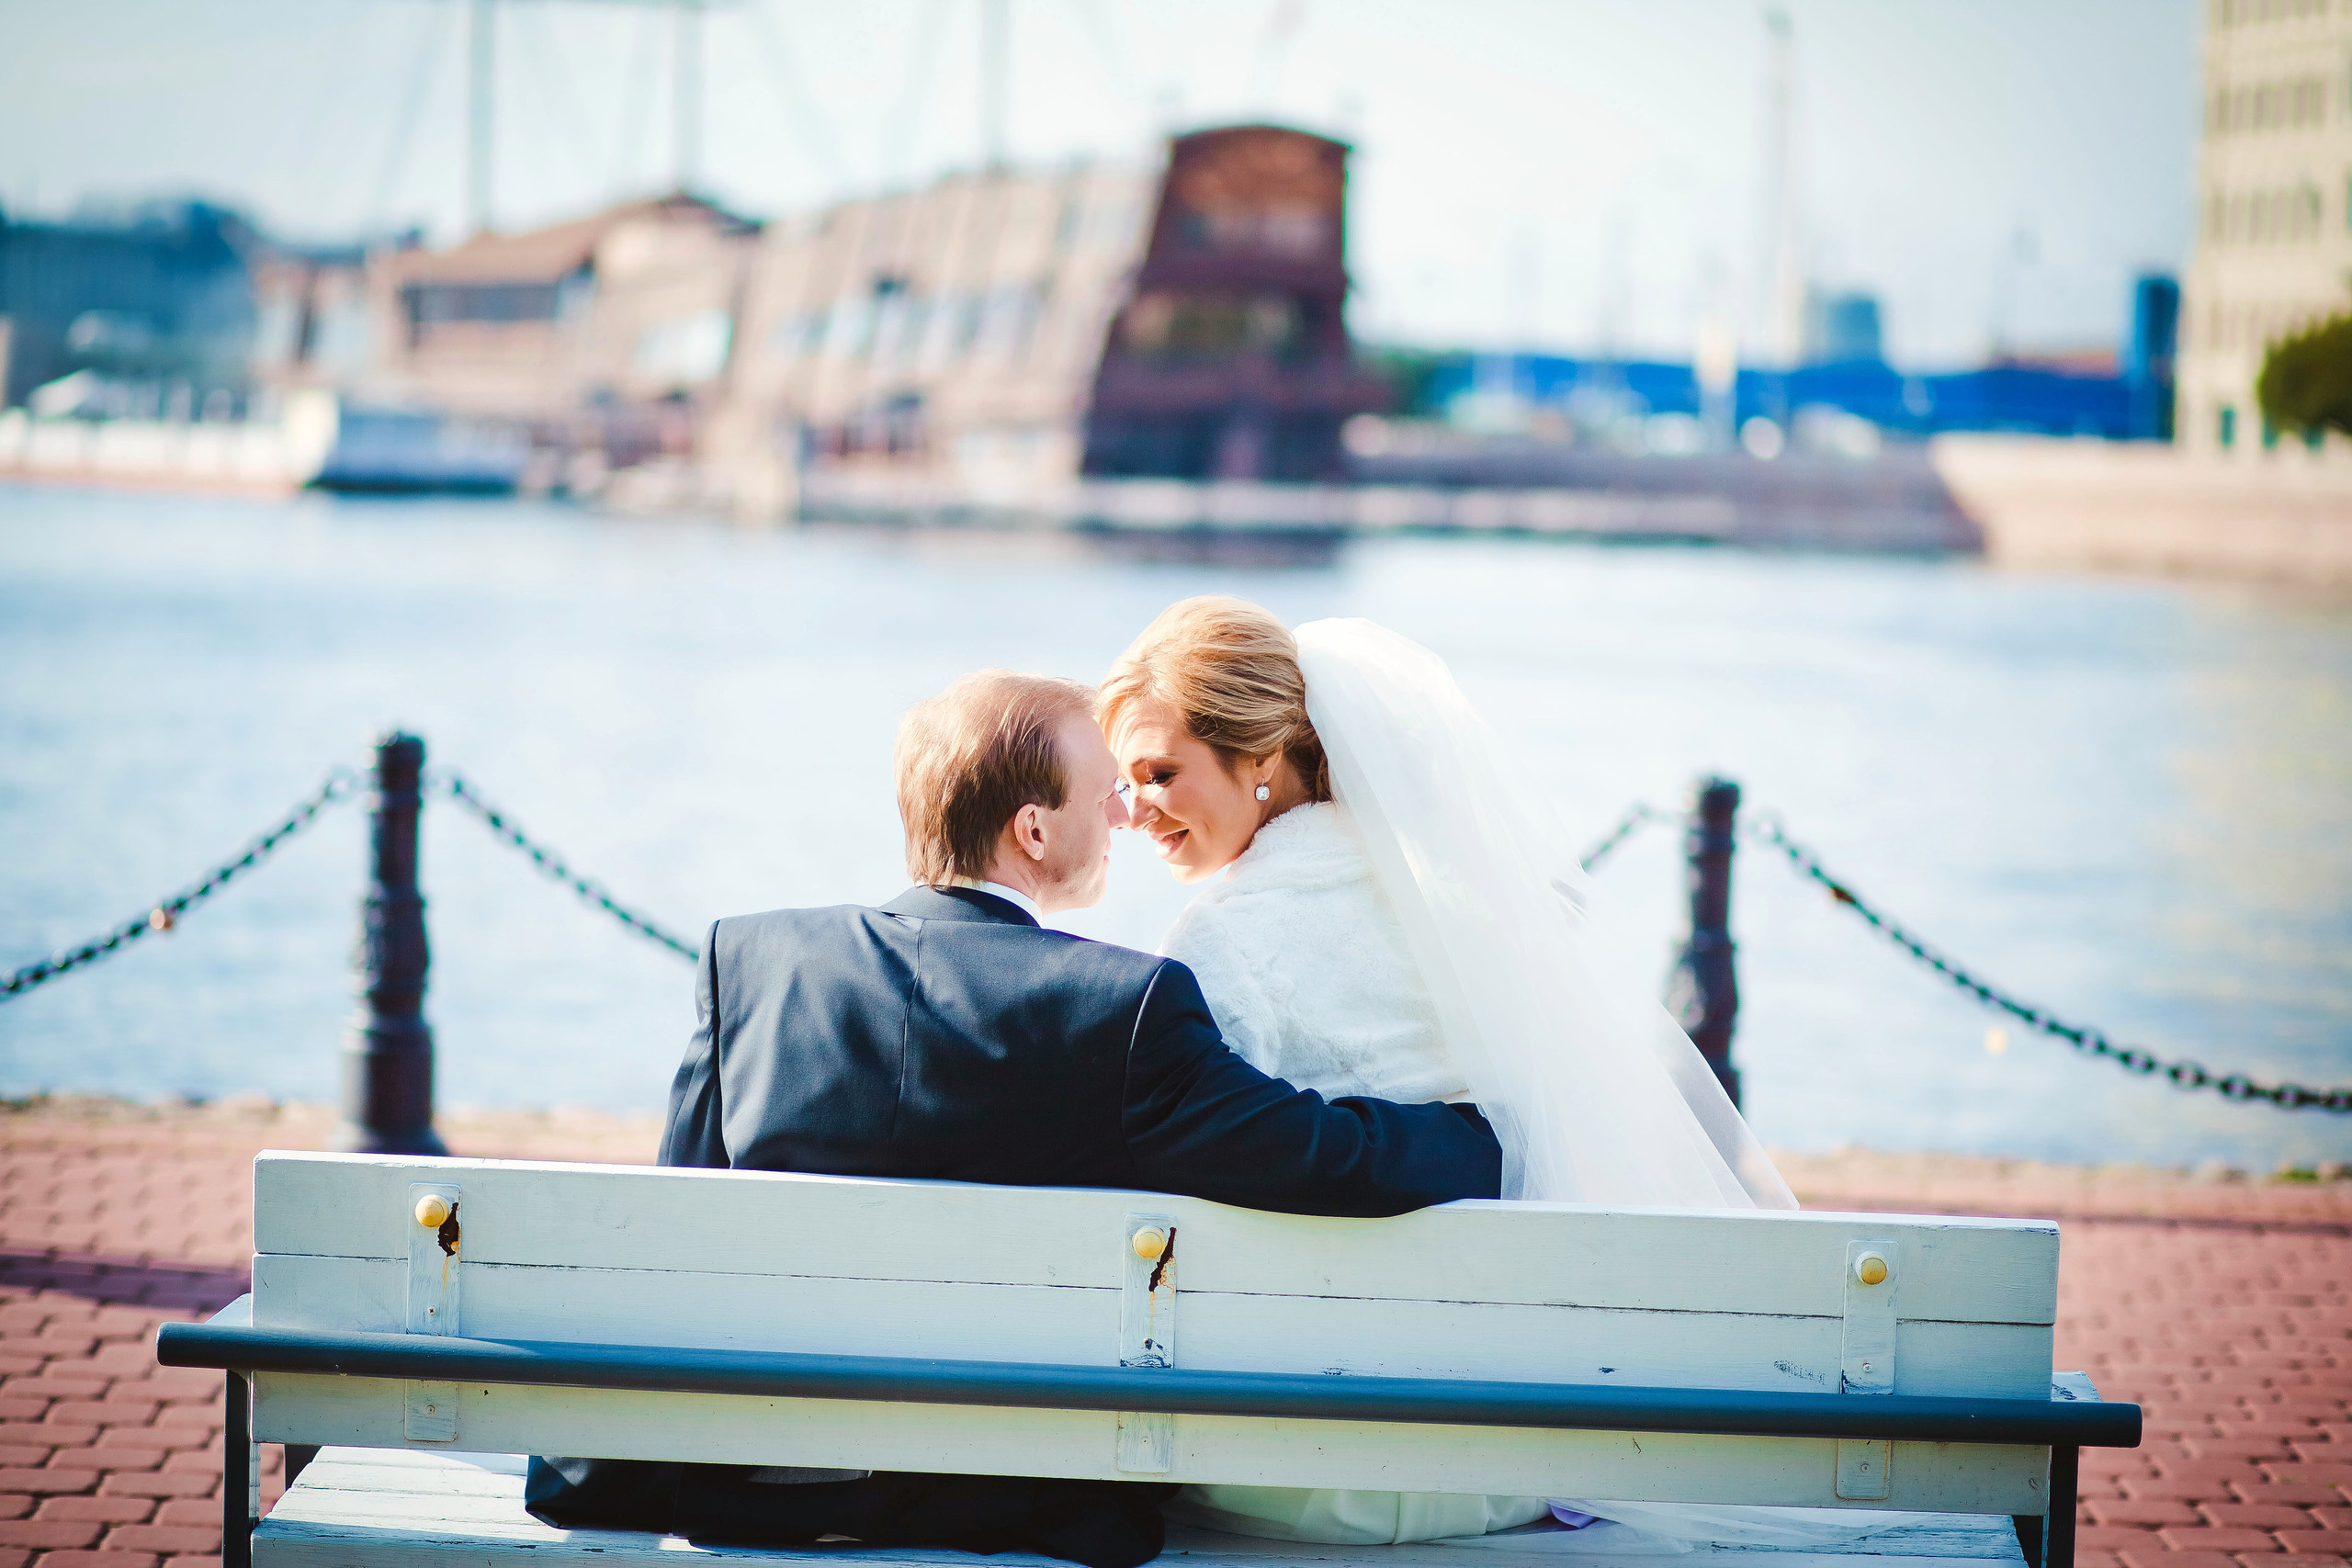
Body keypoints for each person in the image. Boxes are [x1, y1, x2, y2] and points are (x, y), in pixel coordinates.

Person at [525, 669, 1503, 1568]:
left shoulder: (751, 961)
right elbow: (1323, 1161)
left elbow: (671, 1225)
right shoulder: (1118, 1010)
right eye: (1101, 794)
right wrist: (1481, 1132)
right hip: (1004, 1501)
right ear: (1033, 832)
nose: (1125, 814)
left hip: (742, 1490)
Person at [1101, 597, 1903, 1551]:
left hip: (1300, 1472)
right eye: (1125, 781)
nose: (1133, 809)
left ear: (1263, 764)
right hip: (1510, 1455)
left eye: (1159, 773)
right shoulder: (1470, 913)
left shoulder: (1215, 945)